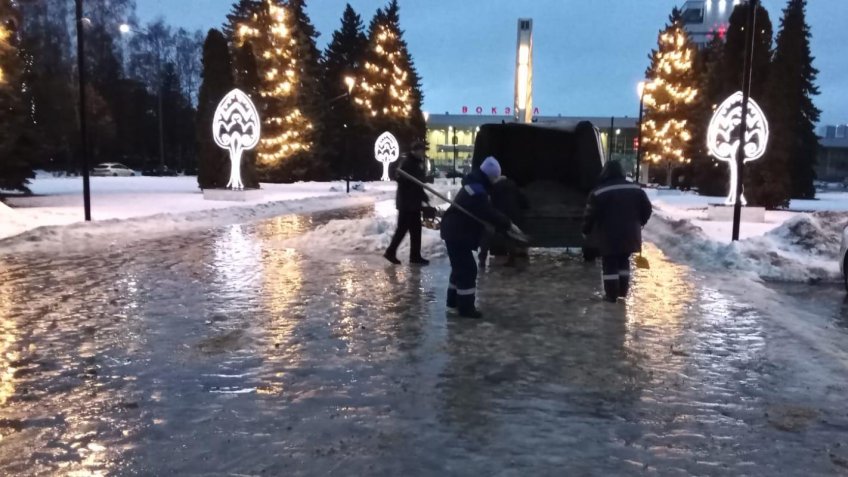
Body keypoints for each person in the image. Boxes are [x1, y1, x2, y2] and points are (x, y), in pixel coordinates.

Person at [441, 156, 513, 318]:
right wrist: (507, 223)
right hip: (457, 232)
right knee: (467, 270)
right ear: (490, 176)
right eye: (495, 177)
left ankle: (453, 303)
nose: (495, 181)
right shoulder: (477, 190)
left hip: (455, 231)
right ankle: (466, 308)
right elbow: (488, 212)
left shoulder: (475, 184)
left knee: (459, 269)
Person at [582, 160, 652, 303]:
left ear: (605, 172)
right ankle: (622, 293)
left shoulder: (599, 191)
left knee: (610, 263)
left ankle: (611, 295)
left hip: (609, 235)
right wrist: (641, 222)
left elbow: (590, 214)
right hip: (630, 234)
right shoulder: (636, 189)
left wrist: (586, 230)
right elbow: (647, 208)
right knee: (624, 261)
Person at [384, 140, 431, 265]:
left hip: (413, 203)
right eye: (421, 150)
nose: (423, 153)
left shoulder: (417, 163)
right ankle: (391, 252)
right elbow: (399, 178)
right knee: (403, 229)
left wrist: (423, 196)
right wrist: (407, 180)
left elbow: (417, 184)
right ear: (415, 151)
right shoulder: (407, 162)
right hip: (407, 204)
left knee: (415, 230)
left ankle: (414, 256)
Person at [478, 174, 529, 267]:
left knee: (488, 234)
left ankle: (482, 258)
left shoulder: (494, 188)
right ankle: (513, 257)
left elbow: (490, 202)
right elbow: (523, 200)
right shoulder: (514, 186)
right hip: (514, 214)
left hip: (500, 215)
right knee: (510, 236)